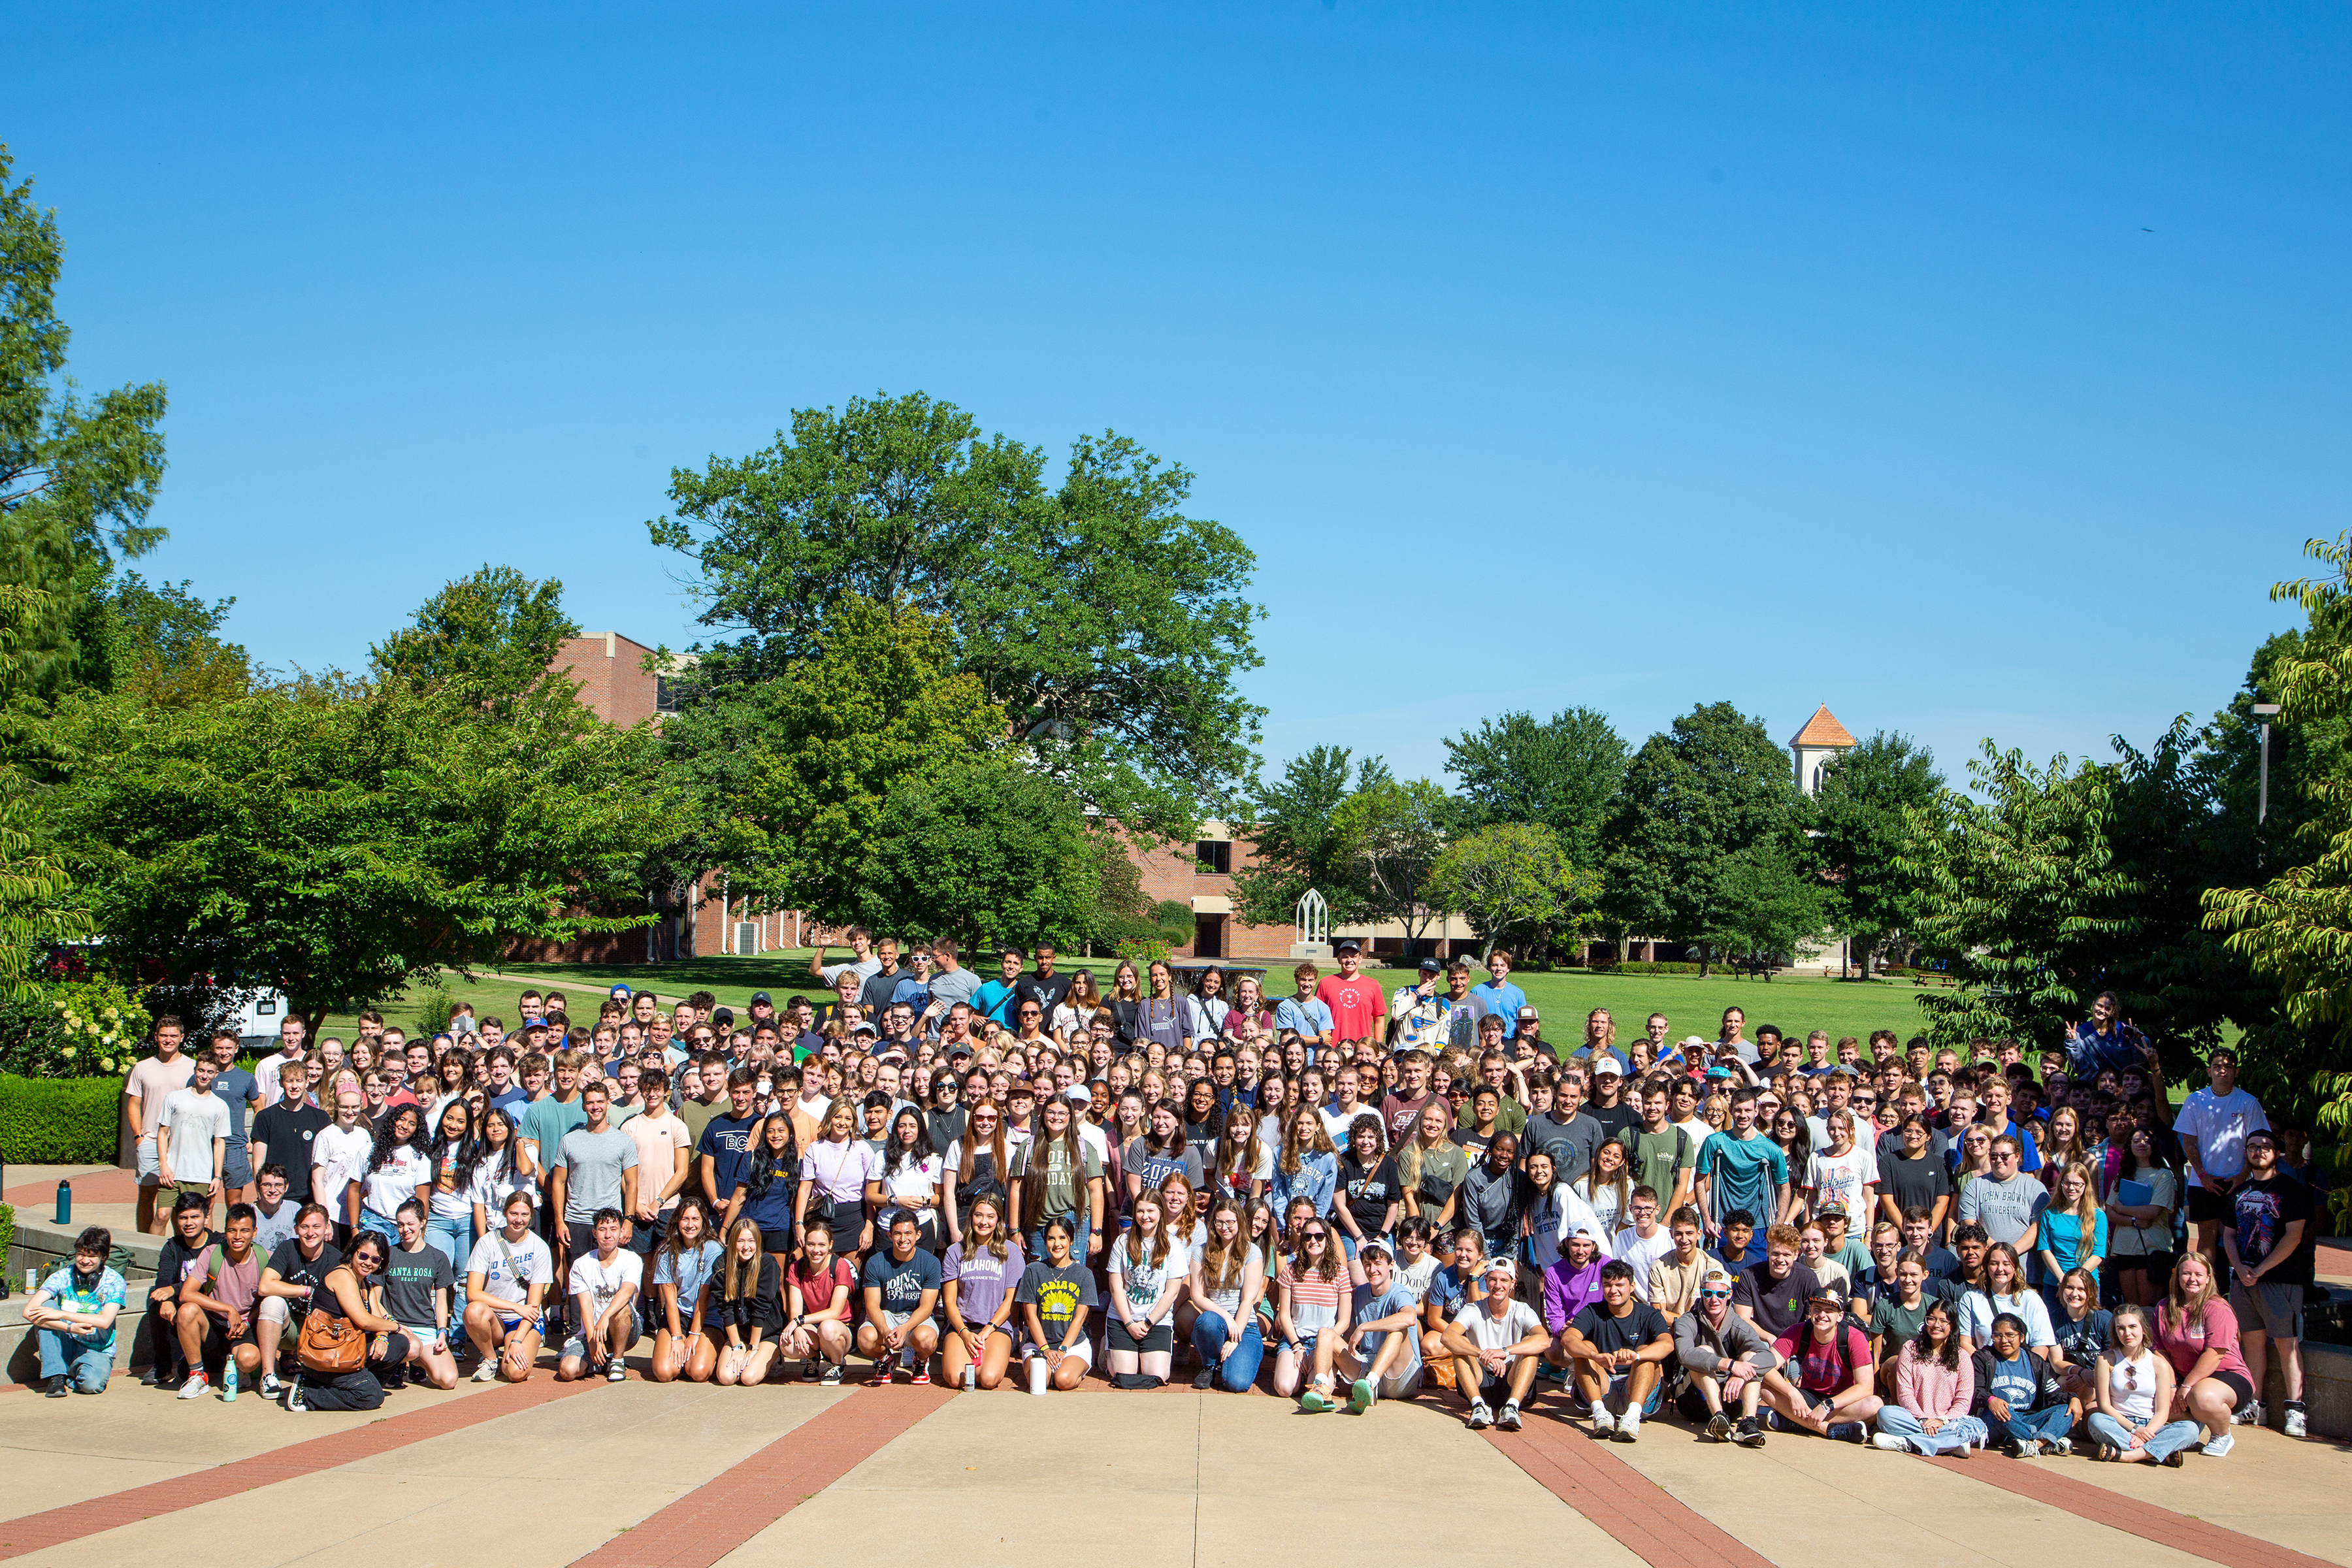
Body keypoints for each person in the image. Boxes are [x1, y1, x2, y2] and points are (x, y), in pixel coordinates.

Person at [2221, 1127, 2311, 1436]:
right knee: (2252, 1343)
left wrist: (2260, 1269)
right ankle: (2254, 1406)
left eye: (2266, 1146)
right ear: (2245, 1153)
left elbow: (2294, 1236)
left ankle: (2296, 1411)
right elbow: (2229, 1235)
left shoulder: (2290, 1189)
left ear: (2277, 1153)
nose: (2259, 1151)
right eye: (2253, 1147)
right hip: (2244, 1281)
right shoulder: (2240, 1191)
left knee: (2287, 1344)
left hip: (2281, 1279)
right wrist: (2240, 1269)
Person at [286, 1230, 409, 1413]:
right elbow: (364, 1321)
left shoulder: (365, 1284)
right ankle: (308, 1392)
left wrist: (382, 1338)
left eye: (375, 1260)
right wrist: (397, 1326)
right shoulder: (343, 1276)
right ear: (353, 1252)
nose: (368, 1263)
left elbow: (377, 1317)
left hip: (347, 1348)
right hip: (326, 1355)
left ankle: (360, 1383)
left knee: (399, 1344)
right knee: (371, 1397)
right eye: (364, 1256)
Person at [1562, 1259, 1674, 1442]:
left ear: (1632, 1286)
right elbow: (1568, 1339)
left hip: (1637, 1389)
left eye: (1619, 1285)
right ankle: (1600, 1414)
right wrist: (1595, 1356)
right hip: (1603, 1389)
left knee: (1646, 1351)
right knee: (1585, 1349)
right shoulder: (1592, 1311)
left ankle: (1632, 1417)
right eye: (1607, 1285)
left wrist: (1636, 1356)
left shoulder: (1649, 1314)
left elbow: (1668, 1344)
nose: (1613, 1290)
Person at [2176, 1045, 2268, 1260]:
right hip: (2204, 1182)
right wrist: (2203, 1175)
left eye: (2228, 1066)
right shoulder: (2195, 1100)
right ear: (2209, 1071)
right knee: (2207, 1239)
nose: (2222, 1071)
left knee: (2239, 1238)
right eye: (2217, 1067)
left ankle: (2237, 1289)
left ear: (2236, 1071)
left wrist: (2243, 1176)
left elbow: (2257, 1143)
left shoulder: (2248, 1102)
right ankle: (2206, 1290)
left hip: (2239, 1182)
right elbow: (2189, 1143)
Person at [2087, 1303, 2203, 1465]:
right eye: (2121, 1328)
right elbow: (2104, 1406)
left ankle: (2129, 1455)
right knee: (2096, 1420)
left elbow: (2162, 1411)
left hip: (2151, 1426)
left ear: (2143, 1328)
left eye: (2132, 1327)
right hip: (2121, 1425)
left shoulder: (2158, 1363)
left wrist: (2147, 1432)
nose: (2127, 1333)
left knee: (2190, 1430)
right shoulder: (2106, 1360)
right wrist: (2135, 1430)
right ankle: (2157, 1453)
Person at [1441, 1256, 1547, 1431]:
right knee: (1460, 1345)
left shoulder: (1522, 1310)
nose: (1498, 1286)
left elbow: (1544, 1340)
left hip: (1512, 1379)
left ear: (1513, 1283)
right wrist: (1481, 1354)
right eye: (1493, 1280)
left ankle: (1512, 1407)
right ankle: (1478, 1406)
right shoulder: (1473, 1309)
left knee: (1531, 1344)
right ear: (1486, 1281)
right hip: (1479, 1380)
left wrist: (1504, 1352)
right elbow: (1448, 1337)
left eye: (1504, 1280)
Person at [1674, 1267, 1776, 1445]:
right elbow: (1684, 1354)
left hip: (1731, 1399)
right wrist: (1729, 1365)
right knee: (1703, 1352)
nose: (1714, 1300)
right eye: (1708, 1293)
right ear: (1702, 1293)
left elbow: (1768, 1357)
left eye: (1720, 1294)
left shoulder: (1738, 1324)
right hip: (1694, 1401)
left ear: (1729, 1295)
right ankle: (1718, 1418)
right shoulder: (1688, 1320)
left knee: (1750, 1357)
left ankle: (1747, 1423)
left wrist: (1740, 1375)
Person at [1871, 1299, 1988, 1456]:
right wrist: (1923, 1419)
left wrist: (1942, 1421)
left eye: (1943, 1321)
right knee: (1885, 1414)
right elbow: (1905, 1393)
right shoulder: (1910, 1349)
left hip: (1948, 1423)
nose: (1936, 1325)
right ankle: (1950, 1446)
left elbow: (1964, 1400)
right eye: (1931, 1319)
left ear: (1952, 1325)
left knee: (1977, 1426)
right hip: (1915, 1420)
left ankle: (1909, 1443)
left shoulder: (1962, 1357)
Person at [25, 1225, 126, 1397]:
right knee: (46, 1308)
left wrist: (62, 1314)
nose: (85, 1260)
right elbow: (28, 1312)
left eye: (92, 1256)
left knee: (91, 1386)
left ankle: (72, 1373)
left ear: (103, 1257)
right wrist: (69, 1328)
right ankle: (56, 1377)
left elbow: (105, 1321)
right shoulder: (61, 1276)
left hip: (96, 1348)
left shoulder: (115, 1282)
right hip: (66, 1340)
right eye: (81, 1254)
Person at [463, 1190, 553, 1382]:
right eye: (514, 1213)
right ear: (505, 1212)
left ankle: (520, 1344)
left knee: (515, 1373)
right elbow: (472, 1293)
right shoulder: (487, 1242)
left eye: (524, 1215)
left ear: (531, 1216)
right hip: (494, 1319)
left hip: (523, 1320)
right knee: (473, 1310)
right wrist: (513, 1306)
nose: (518, 1220)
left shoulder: (540, 1248)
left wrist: (516, 1341)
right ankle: (490, 1358)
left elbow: (533, 1307)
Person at [941, 1192, 1025, 1391]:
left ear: (998, 1221)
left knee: (987, 1379)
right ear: (971, 1217)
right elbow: (950, 1301)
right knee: (956, 1379)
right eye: (979, 1215)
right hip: (963, 1326)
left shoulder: (1010, 1251)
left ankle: (987, 1356)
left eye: (990, 1216)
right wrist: (964, 1333)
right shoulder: (955, 1251)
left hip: (995, 1327)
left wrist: (987, 1330)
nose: (984, 1222)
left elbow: (1010, 1301)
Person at [1271, 1215, 1354, 1409]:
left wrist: (1323, 1346)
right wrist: (1297, 1346)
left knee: (1320, 1390)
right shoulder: (1290, 1270)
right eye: (1308, 1237)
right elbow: (1284, 1315)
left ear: (1327, 1239)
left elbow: (1344, 1321)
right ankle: (1298, 1374)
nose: (1313, 1241)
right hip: (1296, 1339)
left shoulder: (1340, 1273)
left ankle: (1314, 1375)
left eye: (1319, 1236)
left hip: (1324, 1344)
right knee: (1284, 1388)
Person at [1105, 1192, 1187, 1387]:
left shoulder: (1172, 1245)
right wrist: (1129, 1323)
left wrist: (1149, 1323)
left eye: (1151, 1211)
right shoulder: (1122, 1242)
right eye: (1140, 1211)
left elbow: (1172, 1292)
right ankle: (1107, 1351)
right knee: (1123, 1375)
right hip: (1123, 1318)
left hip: (1156, 1321)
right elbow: (1116, 1287)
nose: (1145, 1216)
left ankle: (1140, 1352)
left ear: (1160, 1212)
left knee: (1157, 1376)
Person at [1188, 1196, 1269, 1393]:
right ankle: (1209, 1365)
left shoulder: (1253, 1252)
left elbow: (1248, 1299)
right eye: (1219, 1222)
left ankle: (1227, 1362)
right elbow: (1198, 1296)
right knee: (1207, 1321)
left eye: (1230, 1222)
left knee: (1236, 1383)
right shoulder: (1201, 1251)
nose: (1224, 1227)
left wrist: (1234, 1339)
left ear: (1239, 1222)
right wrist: (1225, 1316)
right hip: (1216, 1322)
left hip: (1245, 1325)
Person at [1971, 1311, 2078, 1456]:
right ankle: (2048, 1441)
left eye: (2010, 1335)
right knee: (2002, 1409)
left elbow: (2055, 1395)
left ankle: (2035, 1444)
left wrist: (2073, 1399)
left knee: (2066, 1410)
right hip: (1997, 1421)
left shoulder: (2035, 1362)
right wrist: (1991, 1400)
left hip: (2028, 1419)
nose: (2004, 1341)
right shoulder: (1983, 1358)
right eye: (1998, 1336)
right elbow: (1975, 1390)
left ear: (2021, 1337)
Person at [380, 1200, 460, 1390]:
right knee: (409, 1347)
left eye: (410, 1224)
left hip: (425, 1327)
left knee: (448, 1380)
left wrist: (442, 1331)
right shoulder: (388, 1255)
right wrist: (393, 1325)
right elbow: (375, 1300)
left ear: (423, 1222)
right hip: (396, 1328)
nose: (405, 1229)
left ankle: (417, 1362)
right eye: (400, 1224)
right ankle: (398, 1363)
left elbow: (441, 1302)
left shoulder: (437, 1257)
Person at [127, 1017, 197, 1235]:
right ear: (156, 1037)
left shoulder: (192, 1067)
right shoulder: (142, 1067)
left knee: (180, 1201)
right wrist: (139, 1137)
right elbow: (134, 1104)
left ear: (181, 1038)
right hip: (149, 1141)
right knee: (147, 1196)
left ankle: (180, 1250)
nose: (168, 1040)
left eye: (173, 1036)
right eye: (164, 1035)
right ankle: (144, 1244)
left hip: (181, 1144)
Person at [1335, 1235, 1421, 1412]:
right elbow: (1350, 1337)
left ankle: (1370, 1384)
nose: (1372, 1269)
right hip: (1365, 1367)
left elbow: (1409, 1318)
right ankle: (1322, 1388)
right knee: (1326, 1335)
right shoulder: (1359, 1293)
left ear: (1391, 1265)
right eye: (1367, 1264)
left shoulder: (1401, 1293)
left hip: (1399, 1377)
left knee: (1398, 1330)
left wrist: (1365, 1327)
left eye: (1377, 1263)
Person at [557, 1208, 642, 1384]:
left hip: (625, 1327)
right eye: (603, 1230)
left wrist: (605, 1316)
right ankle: (600, 1362)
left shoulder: (632, 1259)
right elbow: (585, 1306)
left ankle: (618, 1360)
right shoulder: (581, 1265)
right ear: (595, 1233)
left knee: (620, 1308)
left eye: (613, 1229)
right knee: (567, 1370)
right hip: (593, 1331)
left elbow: (626, 1292)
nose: (608, 1235)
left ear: (621, 1232)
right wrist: (592, 1342)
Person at [858, 1212, 943, 1384]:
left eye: (908, 1233)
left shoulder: (930, 1262)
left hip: (916, 1317)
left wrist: (904, 1329)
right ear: (889, 1235)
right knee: (865, 1339)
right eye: (897, 1233)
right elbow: (872, 1305)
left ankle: (920, 1361)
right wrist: (884, 1330)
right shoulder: (876, 1262)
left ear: (918, 1235)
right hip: (887, 1315)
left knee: (926, 1340)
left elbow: (927, 1307)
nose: (903, 1239)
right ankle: (884, 1359)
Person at [1016, 1217, 1098, 1394]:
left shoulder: (1084, 1274)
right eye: (1051, 1239)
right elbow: (1030, 1317)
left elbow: (1079, 1319)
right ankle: (1050, 1370)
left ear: (1071, 1240)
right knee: (1040, 1382)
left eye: (1062, 1238)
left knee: (1063, 1380)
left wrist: (1062, 1350)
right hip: (1038, 1344)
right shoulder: (1033, 1270)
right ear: (1045, 1242)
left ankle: (1073, 1369)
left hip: (1073, 1346)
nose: (1056, 1244)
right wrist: (1045, 1349)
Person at [647, 1198, 721, 1383]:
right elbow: (670, 1300)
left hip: (708, 1317)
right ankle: (683, 1353)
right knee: (664, 1373)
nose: (690, 1225)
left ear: (704, 1221)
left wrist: (695, 1334)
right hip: (679, 1314)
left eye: (695, 1219)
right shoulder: (666, 1252)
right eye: (685, 1219)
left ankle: (712, 1352)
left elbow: (703, 1297)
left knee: (698, 1372)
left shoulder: (713, 1249)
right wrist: (677, 1336)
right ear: (677, 1222)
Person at [156, 1051, 231, 1225]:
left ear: (216, 1074)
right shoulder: (174, 1098)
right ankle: (156, 1251)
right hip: (172, 1171)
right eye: (201, 1070)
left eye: (210, 1072)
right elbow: (162, 1132)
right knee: (162, 1216)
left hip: (201, 1173)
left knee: (201, 1219)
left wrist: (217, 1177)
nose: (204, 1076)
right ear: (195, 1070)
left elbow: (219, 1143)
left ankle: (205, 1252)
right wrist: (163, 1165)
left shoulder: (220, 1106)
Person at [711, 1217, 787, 1386]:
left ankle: (776, 1355)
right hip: (739, 1332)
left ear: (758, 1242)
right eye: (741, 1241)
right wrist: (737, 1346)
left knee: (748, 1378)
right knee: (726, 1377)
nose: (746, 1247)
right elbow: (725, 1309)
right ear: (732, 1243)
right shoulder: (721, 1264)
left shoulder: (767, 1263)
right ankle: (735, 1346)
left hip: (766, 1332)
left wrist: (753, 1347)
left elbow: (761, 1309)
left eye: (751, 1241)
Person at [782, 1224, 856, 1384]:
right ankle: (813, 1359)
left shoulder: (840, 1265)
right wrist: (798, 1328)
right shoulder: (797, 1268)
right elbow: (795, 1310)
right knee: (786, 1344)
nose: (816, 1250)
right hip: (812, 1326)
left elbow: (834, 1313)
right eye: (811, 1244)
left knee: (827, 1327)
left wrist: (798, 1322)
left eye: (822, 1245)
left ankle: (837, 1365)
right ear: (804, 1245)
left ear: (830, 1245)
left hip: (840, 1328)